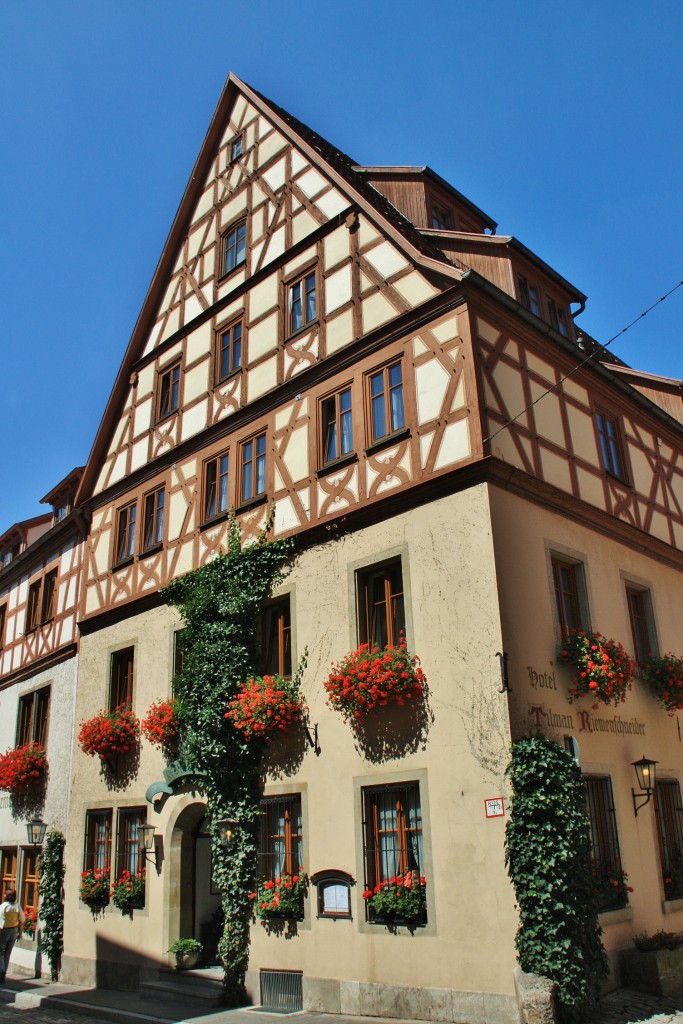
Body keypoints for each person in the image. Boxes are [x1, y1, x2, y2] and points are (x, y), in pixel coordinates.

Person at [0, 889, 24, 982]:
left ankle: (1, 970)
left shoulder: (3, 906)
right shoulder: (17, 906)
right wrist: (20, 933)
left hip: (4, 930)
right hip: (14, 930)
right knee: (8, 952)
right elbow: (22, 919)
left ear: (6, 896)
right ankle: (4, 971)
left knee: (1, 951)